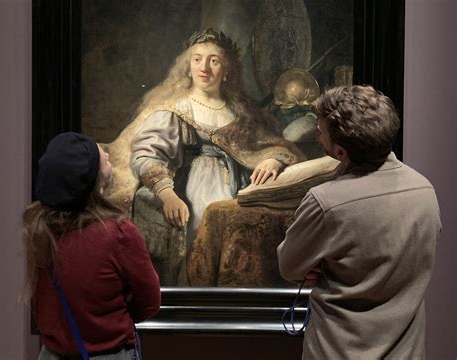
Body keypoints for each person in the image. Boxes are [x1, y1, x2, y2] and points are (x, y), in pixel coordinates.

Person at [277, 85, 441, 359]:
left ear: (341, 152)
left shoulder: (326, 202)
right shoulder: (424, 189)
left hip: (338, 351)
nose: (317, 134)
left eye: (320, 131)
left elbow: (290, 267)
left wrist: (318, 265)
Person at [130, 28, 303, 284]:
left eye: (214, 60)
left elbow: (274, 144)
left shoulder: (241, 112)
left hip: (243, 190)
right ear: (187, 66)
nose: (204, 68)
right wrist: (168, 196)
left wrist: (272, 158)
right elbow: (147, 156)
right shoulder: (177, 110)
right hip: (194, 190)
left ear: (227, 70)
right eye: (197, 59)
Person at [21, 132, 161, 359]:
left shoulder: (39, 230)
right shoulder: (119, 234)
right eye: (102, 158)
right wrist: (109, 321)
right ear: (94, 180)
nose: (107, 154)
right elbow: (149, 301)